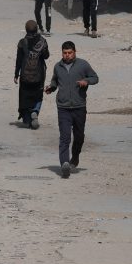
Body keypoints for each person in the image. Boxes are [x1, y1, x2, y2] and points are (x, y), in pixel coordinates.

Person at [44, 41, 99, 178]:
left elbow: (95, 78)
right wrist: (51, 88)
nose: (67, 55)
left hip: (79, 106)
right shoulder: (58, 66)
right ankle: (64, 164)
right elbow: (55, 81)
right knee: (65, 137)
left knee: (79, 137)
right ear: (62, 53)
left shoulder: (83, 65)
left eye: (70, 53)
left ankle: (75, 157)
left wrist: (86, 81)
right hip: (63, 107)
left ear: (75, 52)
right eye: (65, 53)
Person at [14, 20, 50, 129]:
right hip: (38, 75)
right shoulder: (42, 41)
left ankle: (27, 119)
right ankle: (35, 111)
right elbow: (46, 56)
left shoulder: (22, 42)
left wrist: (16, 74)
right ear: (37, 29)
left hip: (25, 76)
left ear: (26, 30)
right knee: (38, 96)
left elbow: (19, 60)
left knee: (24, 96)